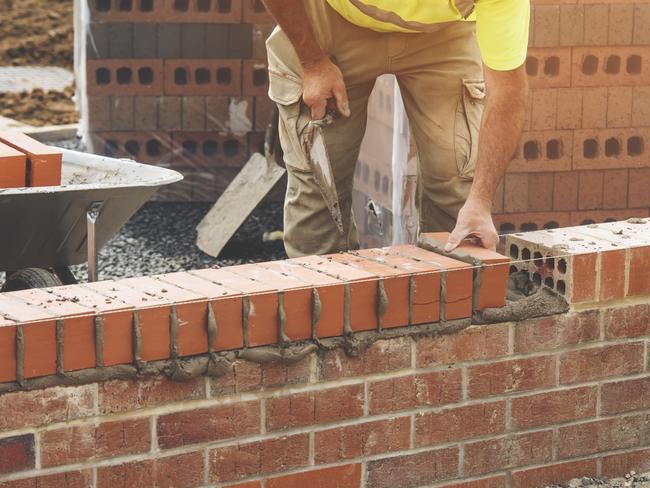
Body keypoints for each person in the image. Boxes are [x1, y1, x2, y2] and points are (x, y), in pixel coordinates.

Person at [263, 0, 529, 256]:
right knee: (321, 184)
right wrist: (312, 61)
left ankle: (453, 294)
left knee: (458, 187)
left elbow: (507, 90)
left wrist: (480, 200)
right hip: (333, 19)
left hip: (442, 31)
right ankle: (321, 293)